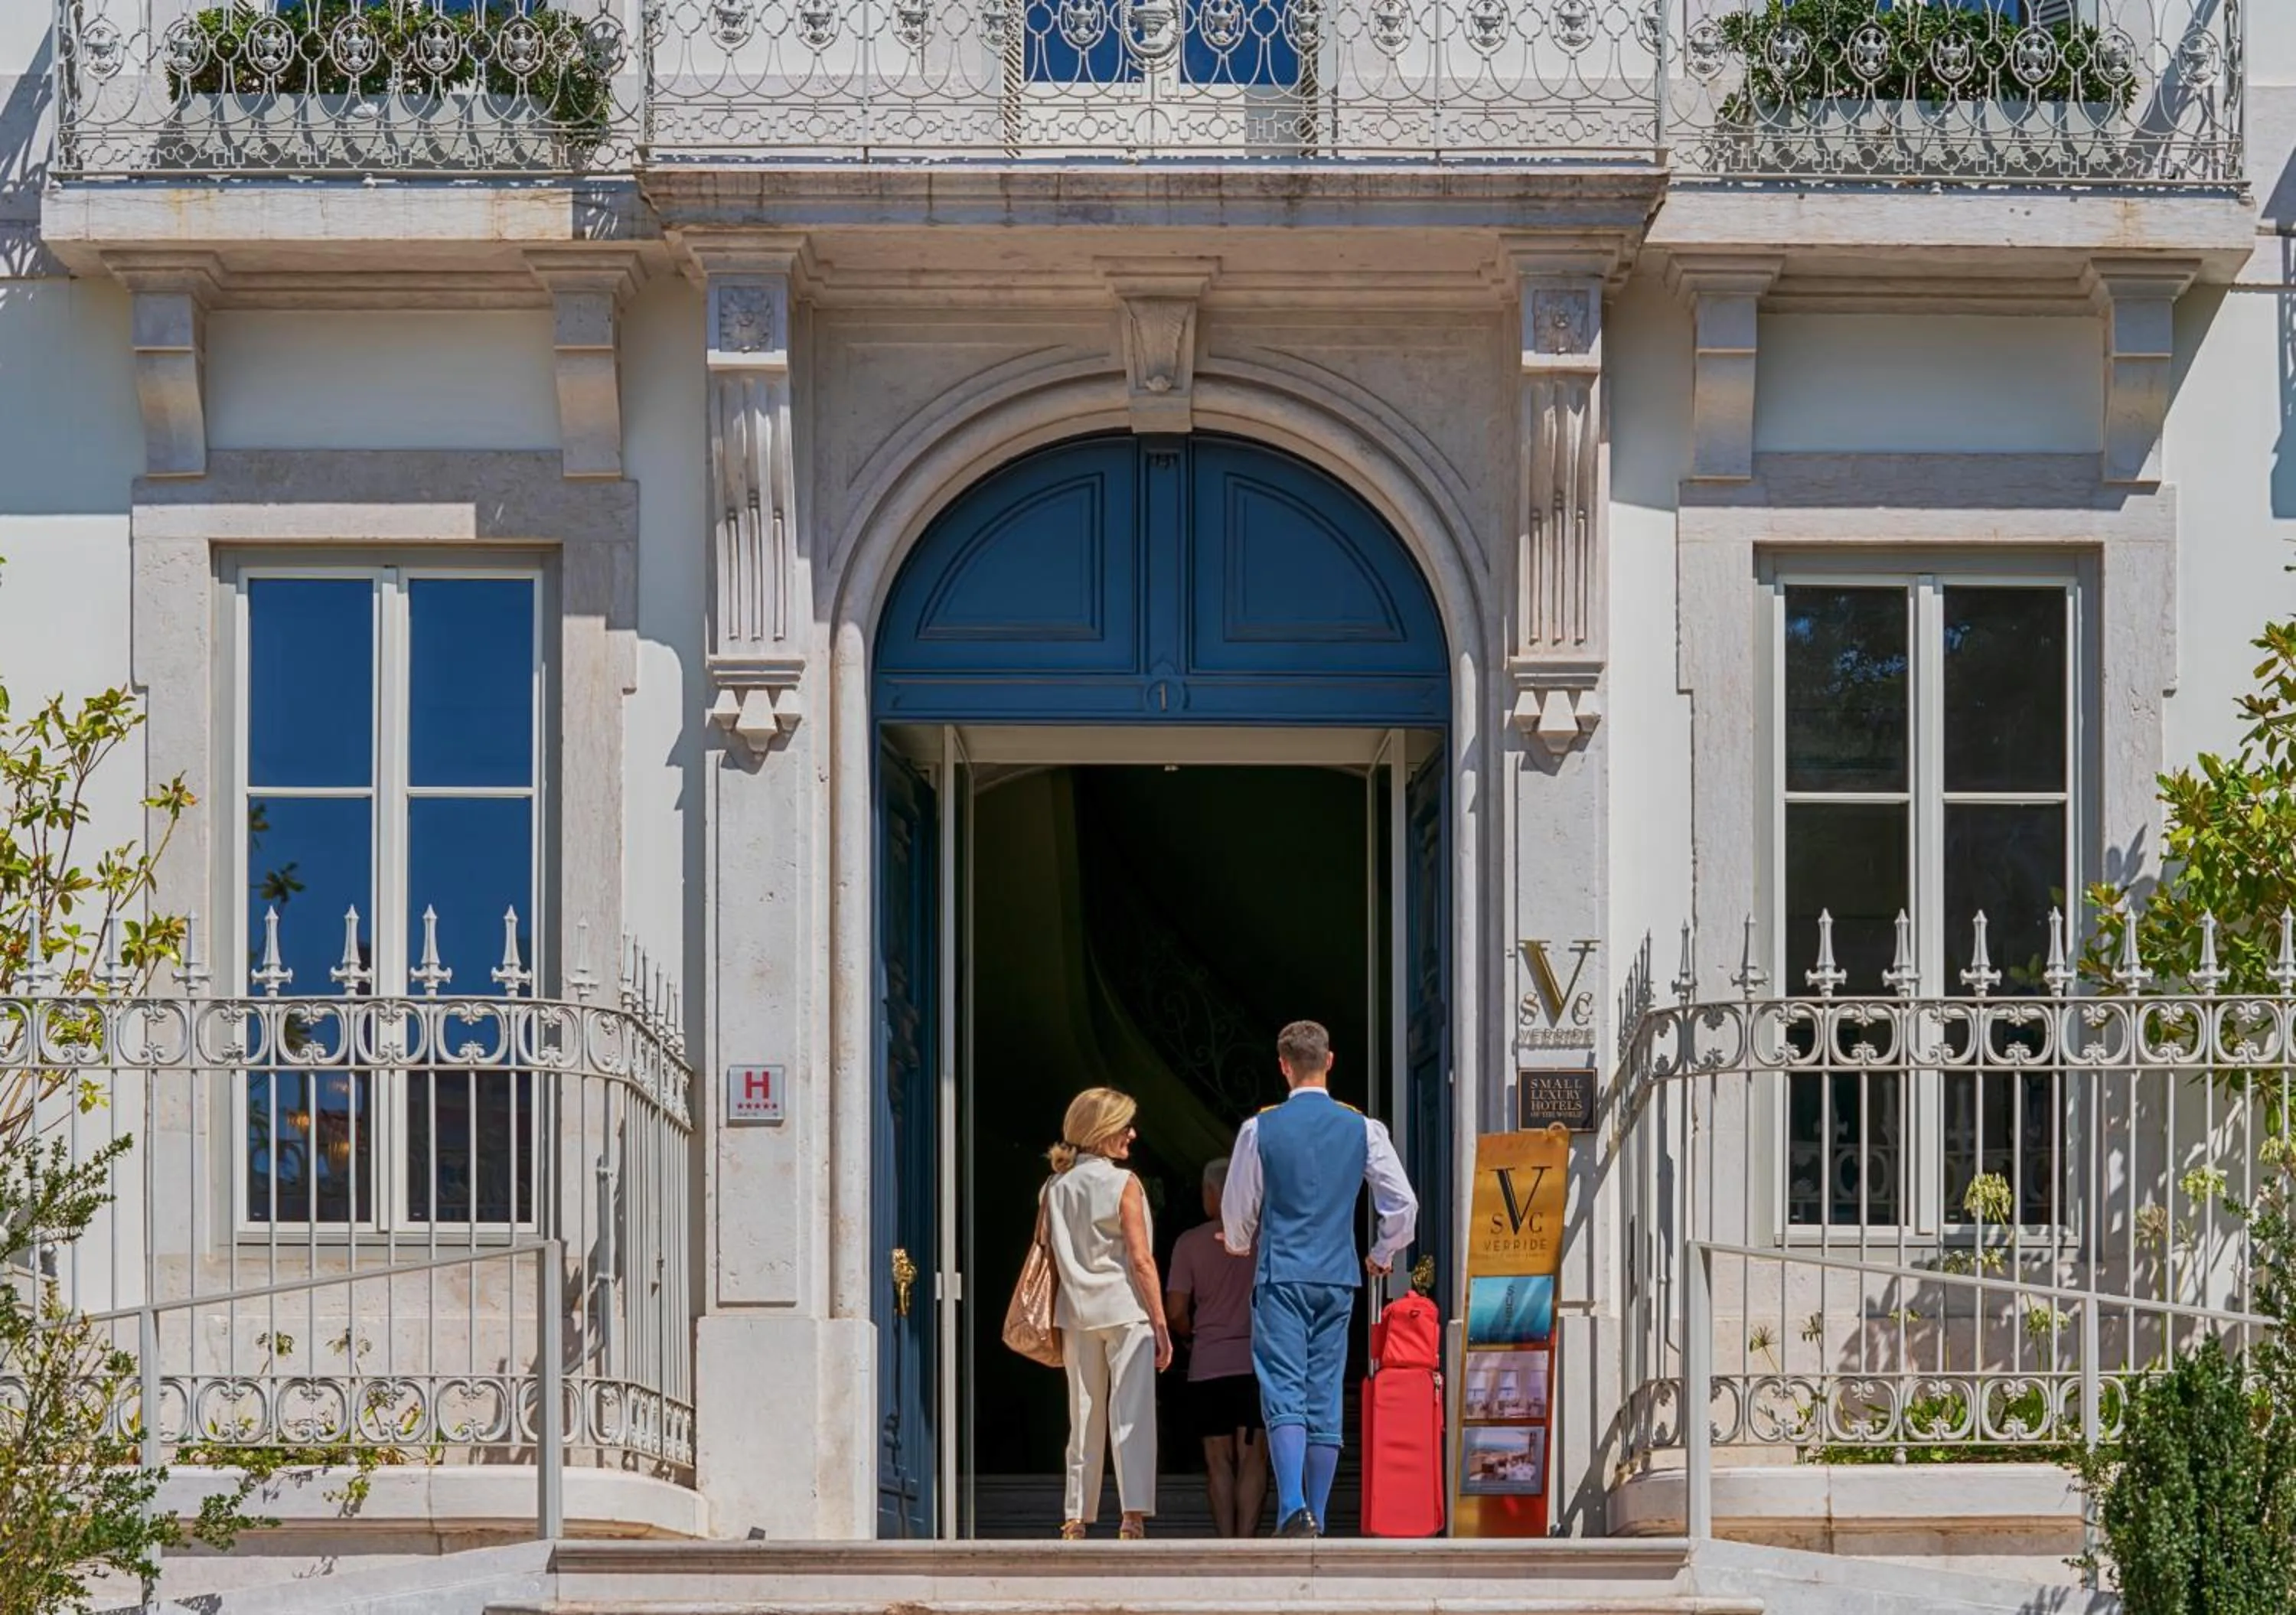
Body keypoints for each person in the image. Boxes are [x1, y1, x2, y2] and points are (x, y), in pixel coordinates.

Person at [1221, 1020, 1417, 1538]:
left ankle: (1291, 1507)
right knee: (1324, 1390)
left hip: (1281, 1272)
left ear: (1283, 1066)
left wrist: (1240, 1242)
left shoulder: (1259, 1128)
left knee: (1282, 1387)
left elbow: (1239, 1209)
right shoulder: (1363, 1128)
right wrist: (1381, 1251)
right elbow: (1403, 1204)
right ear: (1330, 1062)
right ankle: (1321, 1518)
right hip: (1338, 1276)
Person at [1042, 1087, 1172, 1539]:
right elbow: (1140, 1259)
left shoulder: (1054, 1186)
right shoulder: (1124, 1183)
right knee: (1130, 1413)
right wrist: (1160, 1322)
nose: (1132, 1135)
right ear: (1101, 1132)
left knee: (1082, 1414)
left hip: (1075, 1311)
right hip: (1125, 1309)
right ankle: (1131, 1516)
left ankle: (1075, 1517)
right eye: (1124, 1126)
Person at [1166, 1156, 1269, 1538]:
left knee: (1217, 1460)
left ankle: (1226, 1543)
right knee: (1254, 1456)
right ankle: (1248, 1545)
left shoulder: (1189, 1244)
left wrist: (1190, 1333)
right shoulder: (1266, 1239)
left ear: (1212, 1193)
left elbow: (1175, 1309)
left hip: (1208, 1364)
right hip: (1257, 1362)